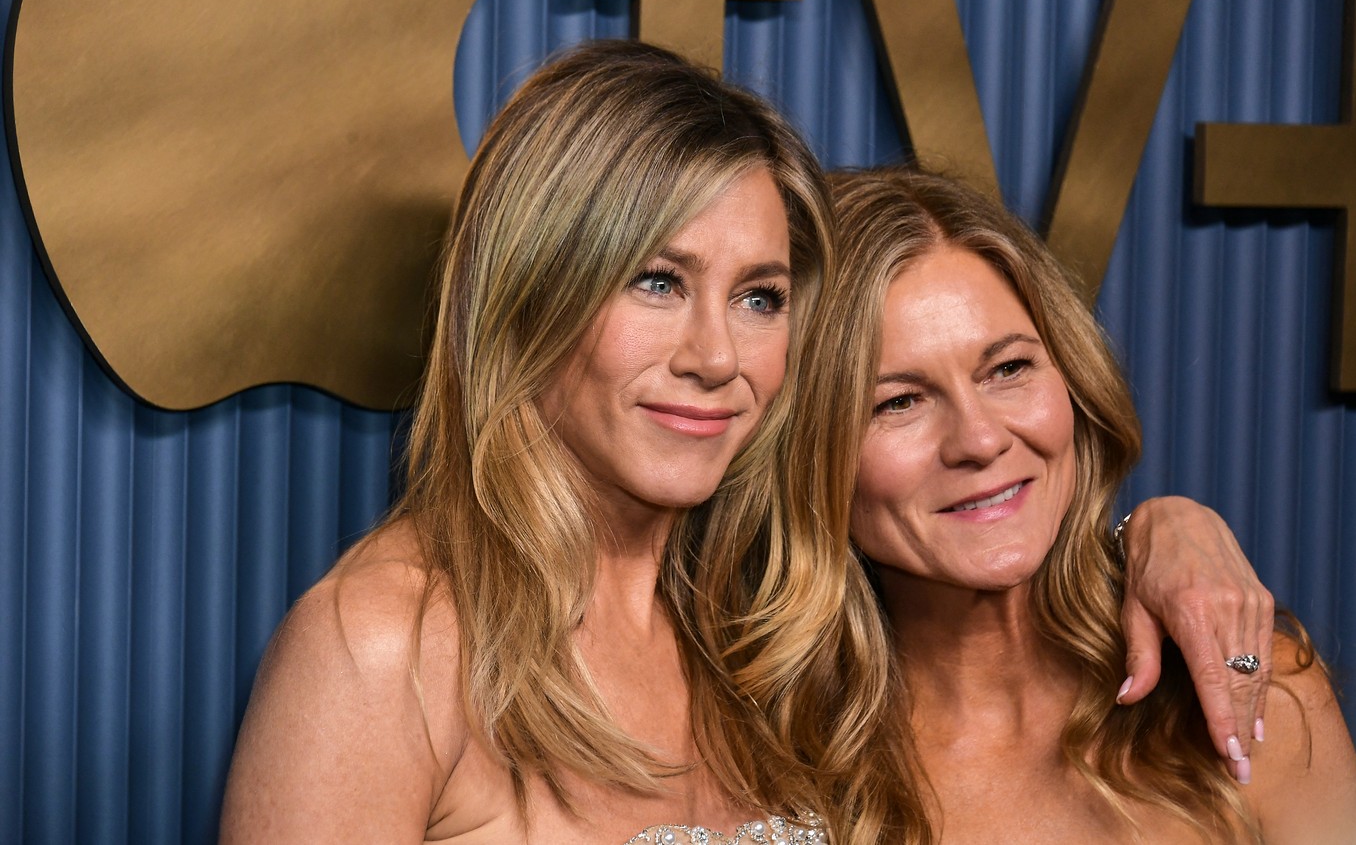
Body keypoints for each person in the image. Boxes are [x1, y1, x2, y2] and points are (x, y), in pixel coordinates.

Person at [221, 41, 1278, 844]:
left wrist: (1157, 534)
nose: (715, 355)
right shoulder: (385, 647)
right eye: (656, 281)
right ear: (530, 294)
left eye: (760, 296)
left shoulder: (754, 630)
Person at [795, 165, 1356, 843]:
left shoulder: (1250, 690)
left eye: (1008, 368)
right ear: (806, 447)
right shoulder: (758, 754)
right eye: (898, 401)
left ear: (1072, 377)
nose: (981, 440)